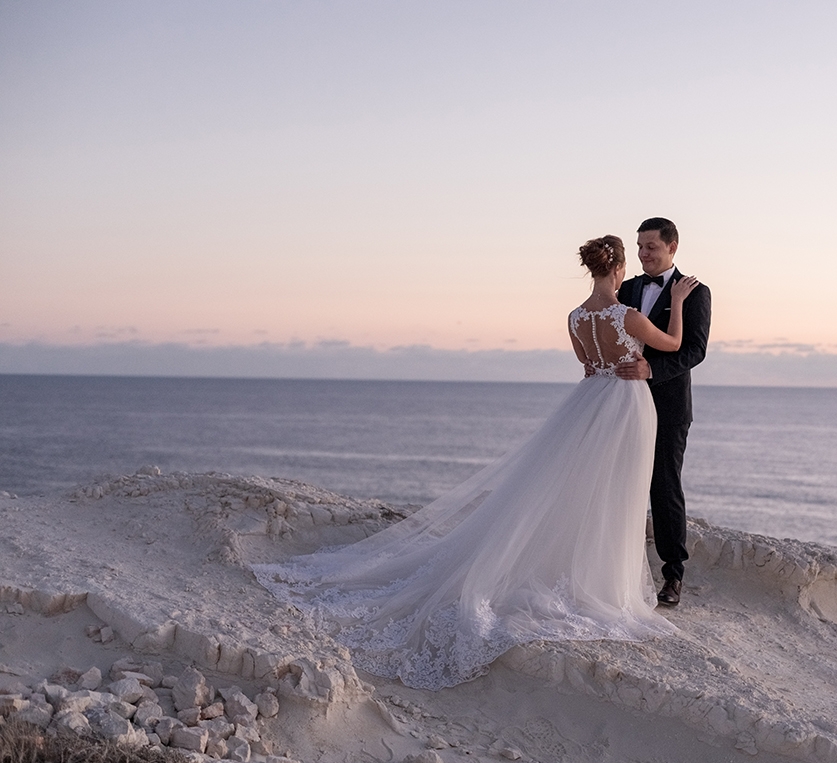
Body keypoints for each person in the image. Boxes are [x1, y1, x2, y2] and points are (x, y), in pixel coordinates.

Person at [252, 235, 699, 690]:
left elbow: (587, 366)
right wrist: (678, 301)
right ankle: (601, 578)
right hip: (626, 406)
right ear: (620, 269)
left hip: (588, 401)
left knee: (577, 485)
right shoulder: (628, 316)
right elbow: (677, 341)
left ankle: (575, 564)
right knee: (616, 490)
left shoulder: (575, 317)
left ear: (593, 269)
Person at [615, 217, 711, 607]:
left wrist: (651, 370)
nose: (642, 254)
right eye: (639, 247)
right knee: (621, 480)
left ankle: (673, 574)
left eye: (651, 246)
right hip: (622, 401)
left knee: (664, 486)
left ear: (672, 247)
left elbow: (694, 351)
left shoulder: (696, 291)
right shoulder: (628, 288)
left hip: (669, 406)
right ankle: (618, 568)